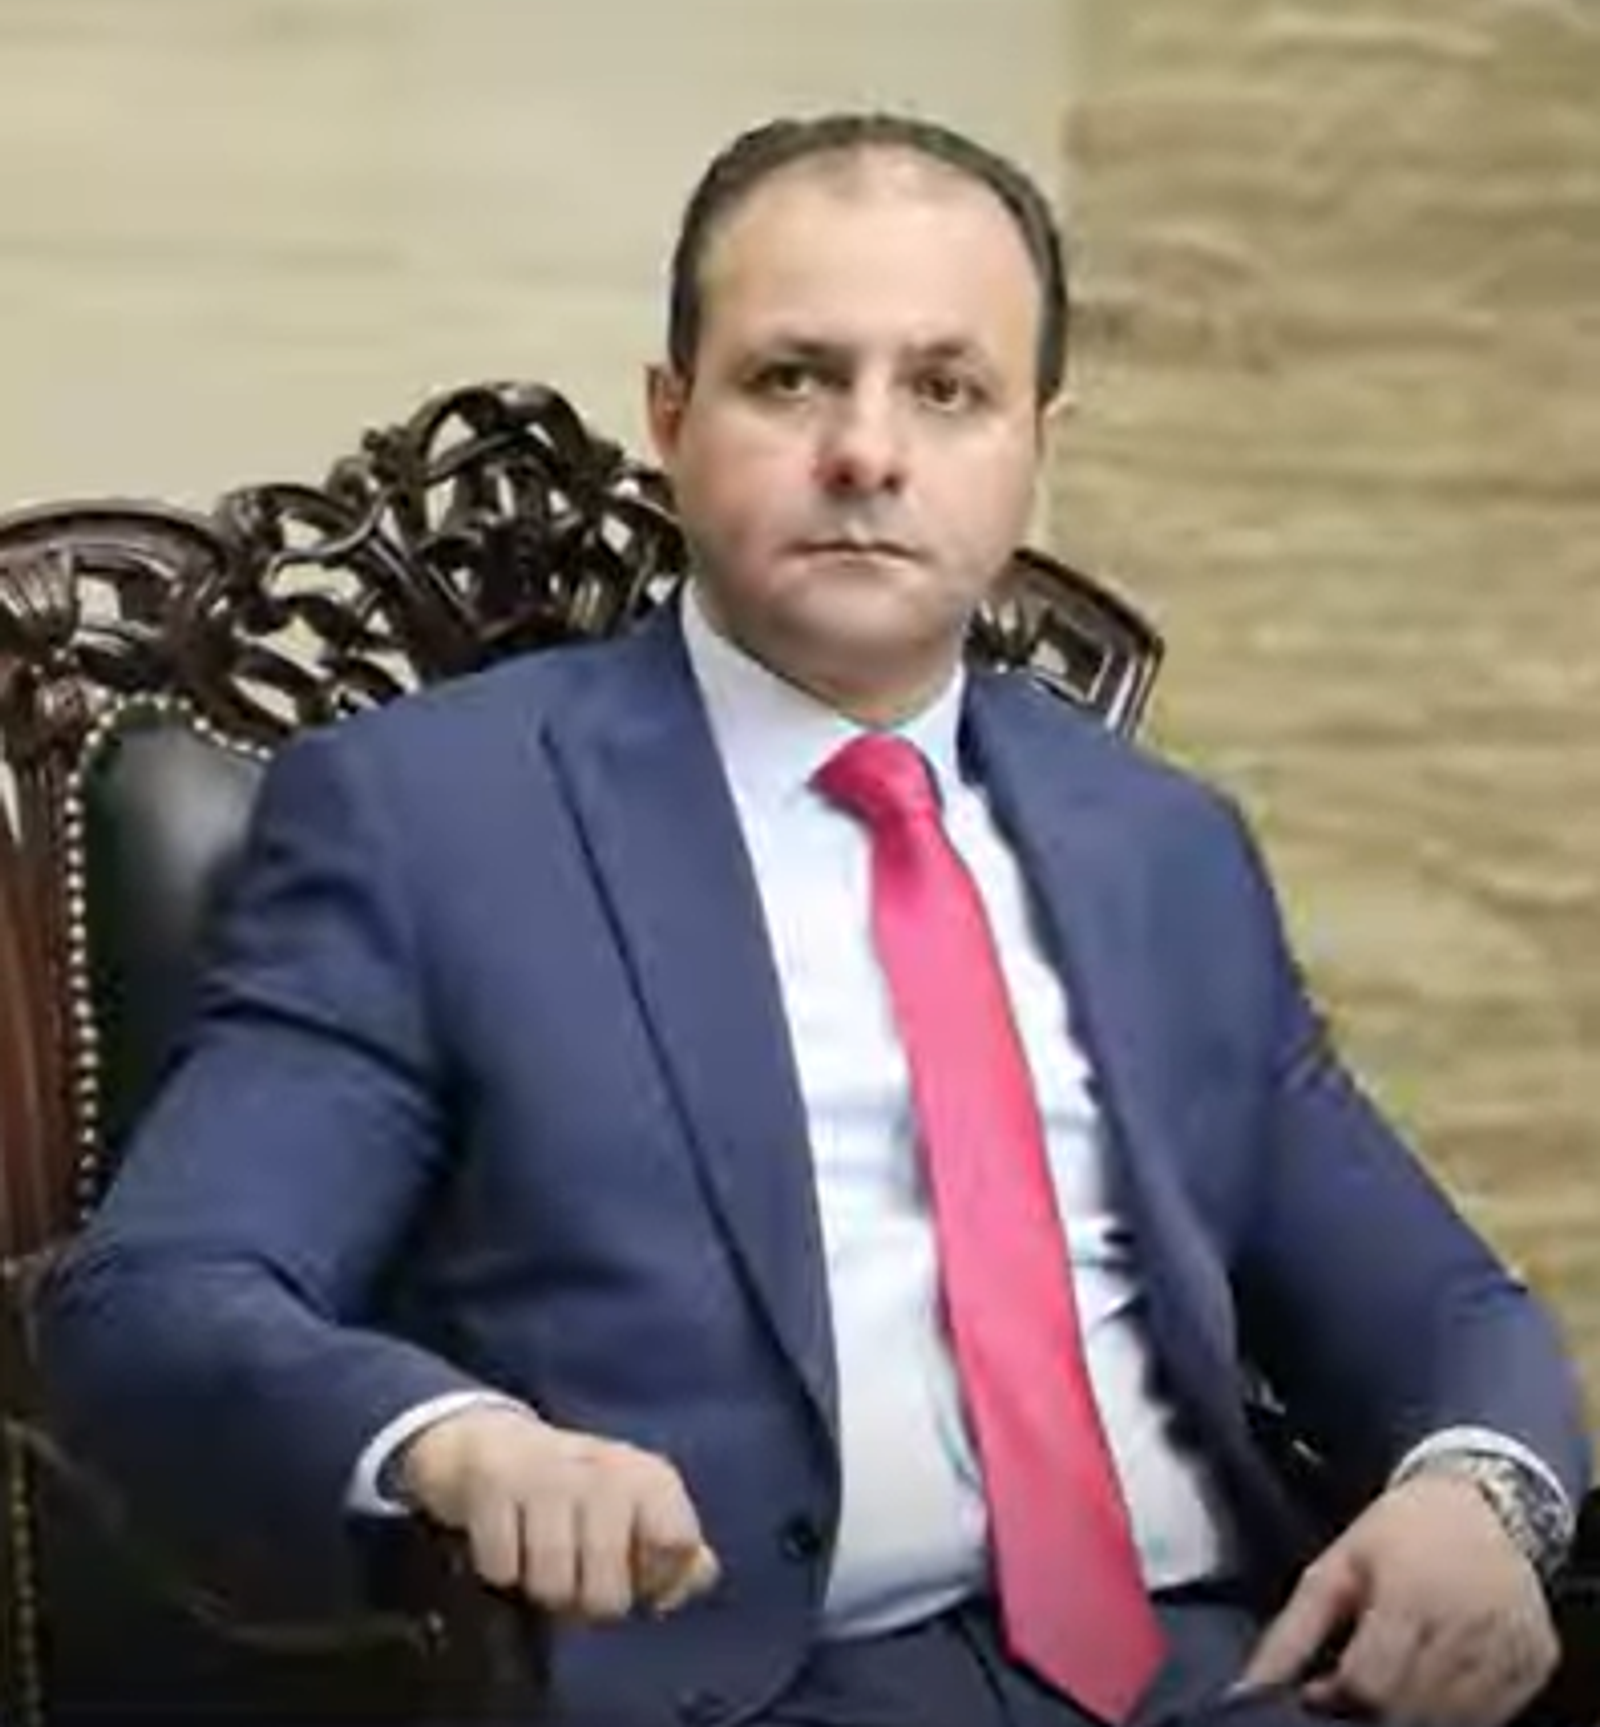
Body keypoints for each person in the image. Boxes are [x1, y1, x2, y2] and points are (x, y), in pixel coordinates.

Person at [39, 112, 1589, 1727]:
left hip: (1231, 1673)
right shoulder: (432, 820)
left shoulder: (1162, 845)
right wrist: (458, 1443)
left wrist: (1479, 1491)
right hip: (751, 1689)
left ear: (1037, 442)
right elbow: (158, 1294)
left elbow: (1444, 1304)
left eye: (949, 388)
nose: (868, 451)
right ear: (670, 417)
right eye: (793, 378)